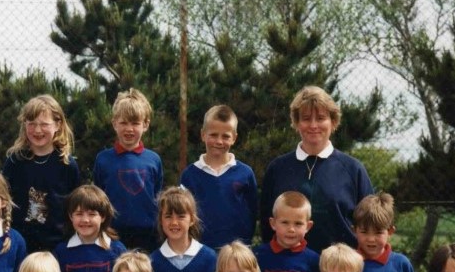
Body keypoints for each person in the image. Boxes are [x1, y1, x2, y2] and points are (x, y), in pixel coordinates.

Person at [259, 85, 373, 252]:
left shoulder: (353, 170)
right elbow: (266, 225)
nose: (313, 125)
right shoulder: (277, 169)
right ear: (296, 123)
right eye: (305, 118)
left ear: (333, 122)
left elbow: (370, 225)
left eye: (320, 118)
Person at [2, 95, 80, 252]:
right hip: (21, 243)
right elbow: (4, 201)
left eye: (44, 124)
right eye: (32, 124)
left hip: (57, 244)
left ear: (58, 125)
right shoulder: (15, 162)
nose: (37, 130)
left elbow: (75, 206)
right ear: (24, 125)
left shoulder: (67, 165)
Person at [93, 88, 163, 252]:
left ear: (145, 125)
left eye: (135, 123)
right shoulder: (103, 159)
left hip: (148, 235)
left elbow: (157, 196)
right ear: (114, 123)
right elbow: (98, 199)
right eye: (123, 123)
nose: (129, 129)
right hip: (112, 233)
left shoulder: (154, 160)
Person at [179, 105, 258, 249]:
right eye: (213, 135)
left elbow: (253, 212)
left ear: (234, 138)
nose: (219, 141)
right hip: (200, 251)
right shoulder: (189, 175)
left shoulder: (245, 173)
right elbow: (184, 215)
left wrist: (245, 243)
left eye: (225, 136)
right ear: (203, 134)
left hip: (237, 253)